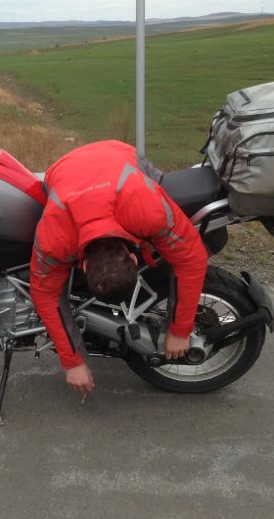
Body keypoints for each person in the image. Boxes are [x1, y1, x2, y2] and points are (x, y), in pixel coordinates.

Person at [29, 140, 208, 394]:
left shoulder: (147, 208)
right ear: (133, 258)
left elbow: (192, 258)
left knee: (168, 215)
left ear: (85, 265)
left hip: (120, 156)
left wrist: (181, 330)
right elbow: (44, 295)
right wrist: (71, 361)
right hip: (65, 167)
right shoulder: (55, 235)